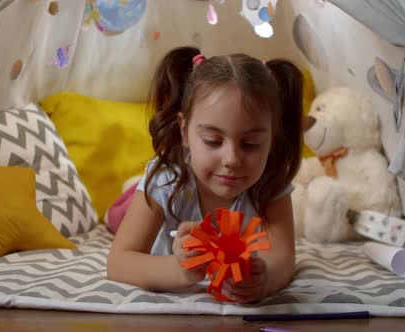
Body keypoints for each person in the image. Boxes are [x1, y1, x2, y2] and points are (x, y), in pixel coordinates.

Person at [107, 46, 303, 303]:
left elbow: (283, 258)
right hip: (168, 189)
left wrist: (262, 280)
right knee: (118, 214)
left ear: (273, 137)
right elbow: (119, 263)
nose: (232, 160)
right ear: (184, 131)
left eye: (251, 144)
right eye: (212, 140)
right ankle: (129, 195)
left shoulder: (271, 181)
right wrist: (180, 269)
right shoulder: (165, 181)